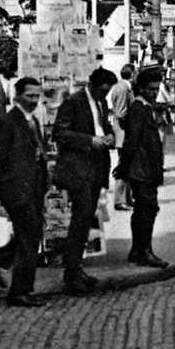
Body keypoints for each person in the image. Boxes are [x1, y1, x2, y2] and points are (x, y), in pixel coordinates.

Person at [0, 76, 49, 307]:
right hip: (18, 190)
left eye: (37, 96)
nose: (34, 100)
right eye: (30, 96)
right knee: (29, 241)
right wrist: (2, 189)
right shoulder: (9, 122)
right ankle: (19, 292)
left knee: (30, 235)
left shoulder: (31, 120)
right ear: (17, 96)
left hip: (33, 189)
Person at [51, 67, 117, 296]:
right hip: (77, 170)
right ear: (91, 84)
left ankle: (76, 269)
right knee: (80, 220)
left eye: (107, 93)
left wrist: (110, 136)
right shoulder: (74, 102)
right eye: (102, 91)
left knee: (86, 220)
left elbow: (105, 128)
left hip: (96, 168)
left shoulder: (102, 103)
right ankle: (71, 274)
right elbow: (59, 133)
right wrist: (89, 140)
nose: (104, 96)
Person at [117, 68, 168, 268]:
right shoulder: (138, 110)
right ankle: (145, 251)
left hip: (146, 168)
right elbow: (131, 142)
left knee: (142, 210)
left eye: (156, 89)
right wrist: (124, 168)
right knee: (147, 210)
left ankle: (137, 250)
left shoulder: (146, 108)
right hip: (142, 169)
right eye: (150, 89)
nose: (154, 93)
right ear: (141, 88)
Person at [108, 64, 135, 211]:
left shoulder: (120, 86)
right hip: (124, 134)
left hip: (122, 133)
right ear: (132, 73)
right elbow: (121, 113)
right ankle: (120, 200)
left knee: (126, 166)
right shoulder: (124, 88)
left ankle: (127, 198)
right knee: (123, 168)